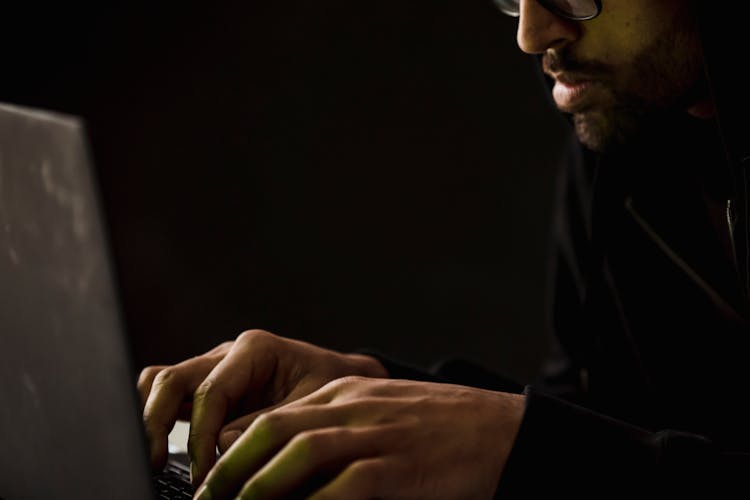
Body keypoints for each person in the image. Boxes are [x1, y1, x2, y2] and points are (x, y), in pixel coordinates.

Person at [138, 0, 750, 497]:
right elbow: (605, 416)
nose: (533, 35)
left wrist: (525, 450)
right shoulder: (622, 135)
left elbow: (571, 452)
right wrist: (367, 389)